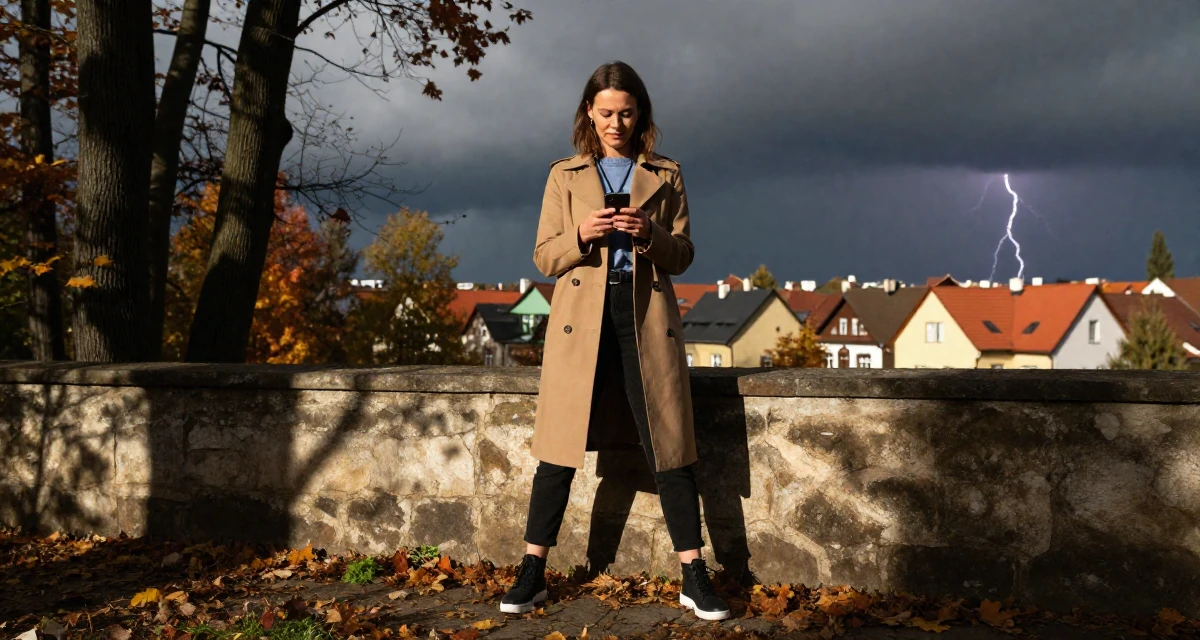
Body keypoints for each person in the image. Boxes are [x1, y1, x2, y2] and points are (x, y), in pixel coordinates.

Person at [499, 61, 729, 621]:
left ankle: (694, 575)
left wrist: (650, 235)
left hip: (644, 320)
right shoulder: (565, 176)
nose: (616, 123)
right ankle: (533, 571)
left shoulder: (667, 174)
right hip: (581, 326)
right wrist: (582, 234)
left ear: (640, 114)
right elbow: (544, 256)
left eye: (626, 113)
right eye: (605, 113)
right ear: (588, 113)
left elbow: (685, 254)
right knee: (556, 451)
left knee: (671, 450)